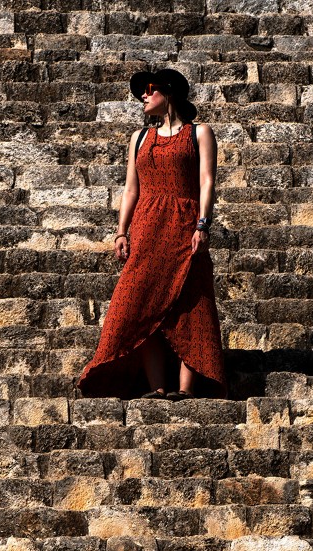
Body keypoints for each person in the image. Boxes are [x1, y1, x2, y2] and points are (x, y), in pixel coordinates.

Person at [76, 68, 228, 401]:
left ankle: (186, 390)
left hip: (185, 225)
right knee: (137, 302)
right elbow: (131, 189)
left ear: (168, 91)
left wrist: (203, 225)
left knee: (191, 304)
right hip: (146, 227)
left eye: (148, 89)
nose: (143, 96)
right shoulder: (140, 138)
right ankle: (157, 385)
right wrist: (121, 231)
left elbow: (206, 182)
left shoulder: (199, 133)